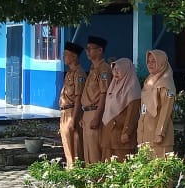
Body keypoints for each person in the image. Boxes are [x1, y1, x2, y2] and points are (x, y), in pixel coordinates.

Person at [100, 58, 141, 161]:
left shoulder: (132, 87)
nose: (116, 72)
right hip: (109, 133)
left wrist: (126, 132)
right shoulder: (113, 85)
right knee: (107, 165)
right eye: (114, 69)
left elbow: (133, 113)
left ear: (126, 70)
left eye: (119, 69)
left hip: (121, 136)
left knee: (121, 165)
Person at [80, 36, 112, 165]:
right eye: (86, 49)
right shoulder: (93, 69)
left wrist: (97, 117)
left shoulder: (104, 69)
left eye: (90, 49)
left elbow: (104, 95)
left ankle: (98, 182)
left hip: (96, 112)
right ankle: (90, 182)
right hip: (87, 112)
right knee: (87, 151)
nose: (87, 52)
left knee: (95, 152)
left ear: (100, 50)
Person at [137, 49, 176, 157]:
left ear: (161, 62)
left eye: (154, 61)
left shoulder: (165, 82)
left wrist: (160, 133)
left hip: (159, 138)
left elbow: (166, 110)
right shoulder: (149, 80)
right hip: (146, 134)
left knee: (160, 171)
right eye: (148, 61)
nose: (150, 64)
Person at [57, 42, 86, 168]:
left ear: (74, 57)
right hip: (64, 111)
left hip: (71, 112)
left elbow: (78, 98)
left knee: (74, 148)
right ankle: (70, 170)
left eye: (66, 55)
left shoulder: (79, 74)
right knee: (67, 148)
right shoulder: (69, 73)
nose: (64, 57)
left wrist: (73, 119)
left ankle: (75, 174)